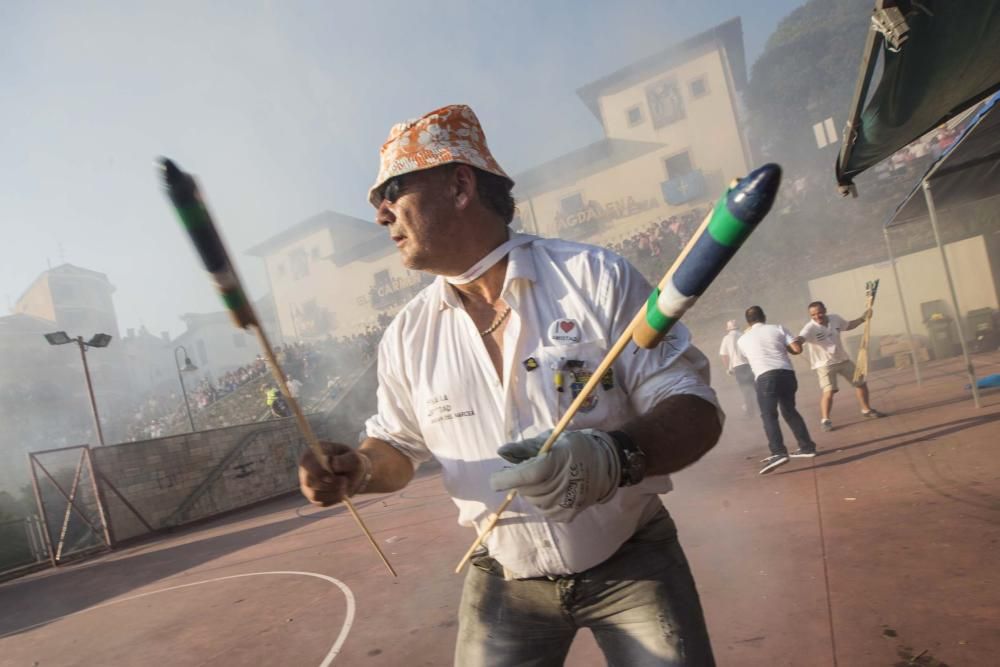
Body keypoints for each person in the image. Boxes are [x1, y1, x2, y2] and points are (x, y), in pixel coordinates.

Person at [297, 104, 723, 666]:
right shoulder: (405, 336)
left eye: (394, 190)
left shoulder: (593, 277)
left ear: (459, 185)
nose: (380, 214)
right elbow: (397, 447)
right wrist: (361, 468)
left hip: (631, 560)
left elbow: (694, 407)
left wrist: (614, 456)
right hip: (502, 578)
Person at [737, 306, 818, 474]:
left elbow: (747, 357)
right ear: (764, 317)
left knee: (769, 415)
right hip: (787, 374)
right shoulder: (778, 328)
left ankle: (778, 452)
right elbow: (797, 349)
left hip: (765, 377)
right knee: (789, 411)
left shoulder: (742, 339)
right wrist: (783, 346)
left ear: (748, 322)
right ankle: (807, 446)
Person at [793, 301, 884, 432]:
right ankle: (825, 420)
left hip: (843, 359)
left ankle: (866, 410)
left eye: (819, 313)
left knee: (861, 383)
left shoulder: (835, 318)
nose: (817, 316)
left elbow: (847, 326)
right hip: (825, 365)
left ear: (825, 310)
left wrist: (862, 319)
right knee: (829, 391)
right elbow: (801, 338)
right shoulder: (809, 328)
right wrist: (796, 343)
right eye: (813, 314)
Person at [718, 319, 757, 416]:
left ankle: (750, 412)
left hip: (737, 367)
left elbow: (724, 355)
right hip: (749, 365)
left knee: (745, 389)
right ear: (738, 327)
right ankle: (759, 409)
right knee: (754, 387)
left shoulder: (726, 338)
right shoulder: (744, 335)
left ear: (728, 329)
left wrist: (728, 368)